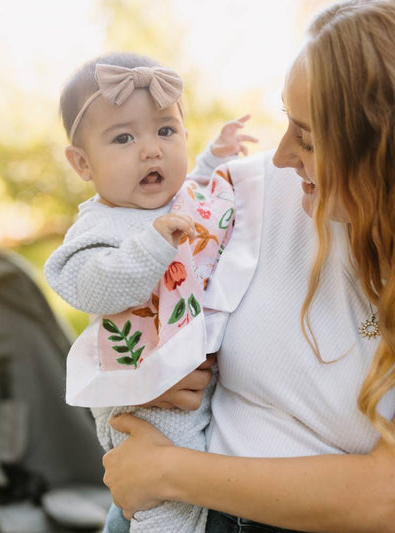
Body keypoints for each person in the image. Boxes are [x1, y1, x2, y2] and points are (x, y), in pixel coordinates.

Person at [99, 1, 395, 532]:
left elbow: (390, 497)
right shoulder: (250, 197)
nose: (280, 156)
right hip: (177, 516)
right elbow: (113, 282)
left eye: (311, 139)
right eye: (288, 122)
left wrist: (168, 471)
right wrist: (140, 373)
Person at [44, 52, 261, 532]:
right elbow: (89, 285)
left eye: (165, 131)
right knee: (162, 507)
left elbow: (200, 192)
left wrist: (215, 158)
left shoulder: (176, 199)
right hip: (145, 400)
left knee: (192, 489)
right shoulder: (101, 224)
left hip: (194, 384)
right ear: (82, 163)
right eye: (123, 137)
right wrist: (152, 246)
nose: (151, 150)